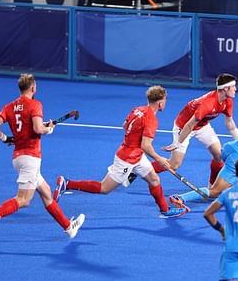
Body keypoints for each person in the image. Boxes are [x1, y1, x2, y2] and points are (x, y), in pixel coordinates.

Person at [0, 73, 85, 240]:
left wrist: (6, 139)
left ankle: (68, 227)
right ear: (33, 88)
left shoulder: (9, 106)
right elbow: (37, 129)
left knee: (47, 192)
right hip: (30, 158)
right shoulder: (35, 105)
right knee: (24, 199)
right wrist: (48, 129)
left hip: (18, 158)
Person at [53, 85, 188, 218]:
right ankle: (67, 183)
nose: (165, 103)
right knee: (104, 188)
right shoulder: (152, 119)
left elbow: (125, 126)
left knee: (154, 179)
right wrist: (160, 159)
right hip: (127, 158)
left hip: (136, 154)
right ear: (160, 102)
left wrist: (133, 141)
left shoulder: (137, 109)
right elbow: (146, 146)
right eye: (165, 100)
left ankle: (165, 210)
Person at [154, 73, 238, 187]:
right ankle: (143, 169)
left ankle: (212, 186)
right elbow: (189, 125)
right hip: (184, 127)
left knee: (218, 156)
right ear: (225, 88)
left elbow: (230, 123)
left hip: (203, 125)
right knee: (174, 164)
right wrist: (178, 143)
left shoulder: (228, 100)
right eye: (233, 86)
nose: (236, 89)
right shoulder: (207, 104)